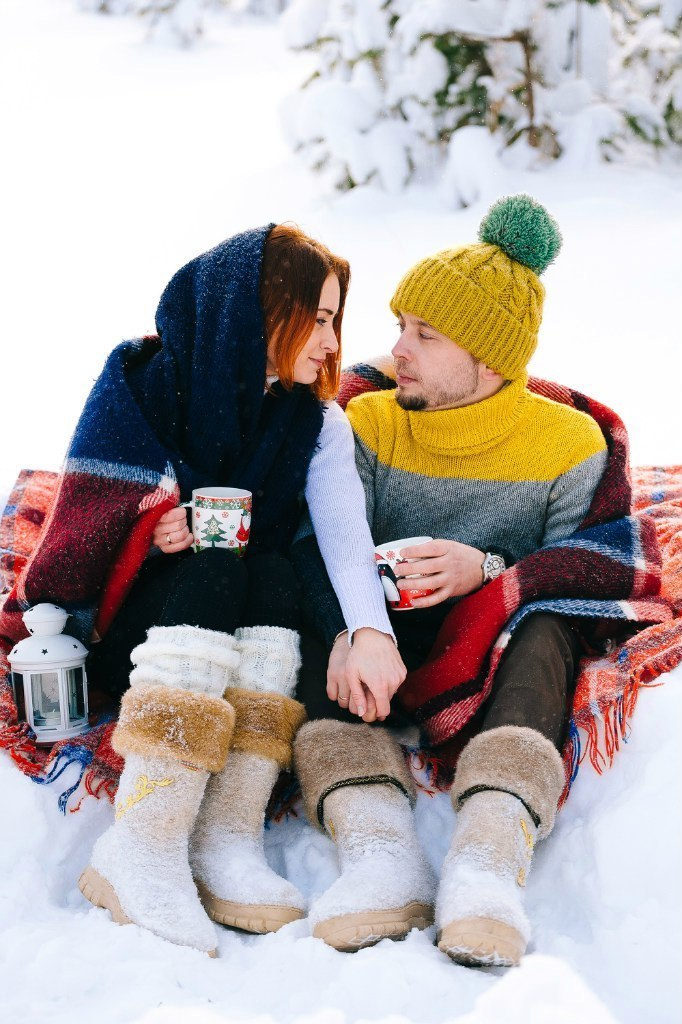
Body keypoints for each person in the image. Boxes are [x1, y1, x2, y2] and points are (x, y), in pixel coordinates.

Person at [31, 223, 405, 956]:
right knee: (218, 564)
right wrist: (150, 533)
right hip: (136, 634)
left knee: (268, 570)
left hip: (230, 631)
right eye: (316, 319)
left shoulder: (315, 420)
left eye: (335, 320)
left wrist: (369, 632)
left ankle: (223, 835)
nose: (331, 342)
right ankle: (141, 842)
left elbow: (344, 537)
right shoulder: (144, 385)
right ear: (258, 313)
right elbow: (90, 520)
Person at [292, 196, 609, 966]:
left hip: (495, 651)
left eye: (425, 335)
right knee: (307, 620)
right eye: (400, 325)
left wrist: (485, 569)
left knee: (548, 625)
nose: (397, 348)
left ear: (490, 359)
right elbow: (316, 543)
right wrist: (348, 627)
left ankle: (488, 861)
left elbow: (582, 577)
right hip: (385, 640)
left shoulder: (570, 445)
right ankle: (379, 855)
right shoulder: (369, 423)